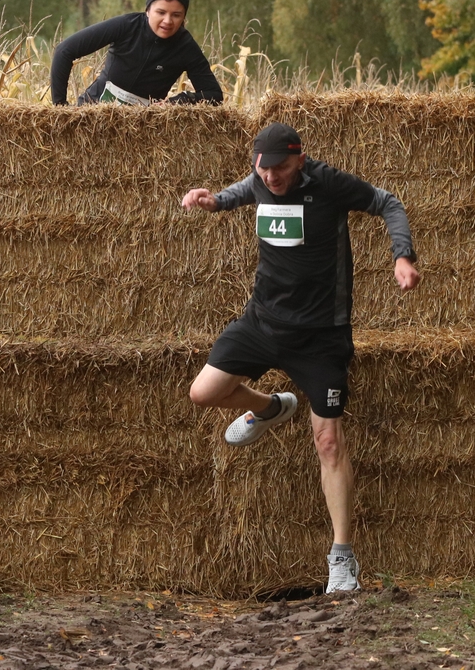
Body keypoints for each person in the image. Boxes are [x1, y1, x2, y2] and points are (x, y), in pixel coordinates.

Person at [180, 122, 420, 593]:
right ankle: (272, 407)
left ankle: (341, 558)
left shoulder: (328, 183)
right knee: (203, 392)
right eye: (263, 169)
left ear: (300, 161)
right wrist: (214, 201)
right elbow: (241, 191)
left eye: (281, 169)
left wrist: (402, 256)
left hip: (321, 336)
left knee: (328, 442)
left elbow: (388, 203)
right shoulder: (260, 180)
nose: (271, 178)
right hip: (262, 322)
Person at [49, 0, 224, 106]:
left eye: (176, 15)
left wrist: (178, 101)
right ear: (148, 10)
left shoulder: (186, 47)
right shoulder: (126, 25)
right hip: (93, 112)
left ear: (184, 17)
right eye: (161, 12)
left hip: (139, 130)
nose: (168, 21)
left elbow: (214, 95)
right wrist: (60, 108)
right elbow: (64, 51)